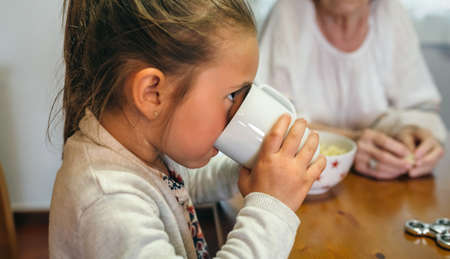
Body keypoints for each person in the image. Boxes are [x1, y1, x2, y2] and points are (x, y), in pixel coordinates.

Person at [48, 1, 327, 258]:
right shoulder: (108, 203)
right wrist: (271, 209)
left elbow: (180, 184)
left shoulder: (142, 146)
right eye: (232, 95)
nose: (237, 111)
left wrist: (260, 170)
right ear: (152, 93)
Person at [256, 0, 447, 180]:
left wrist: (416, 137)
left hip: (385, 184)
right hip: (305, 182)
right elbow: (269, 121)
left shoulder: (389, 11)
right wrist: (352, 142)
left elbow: (421, 108)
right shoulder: (289, 12)